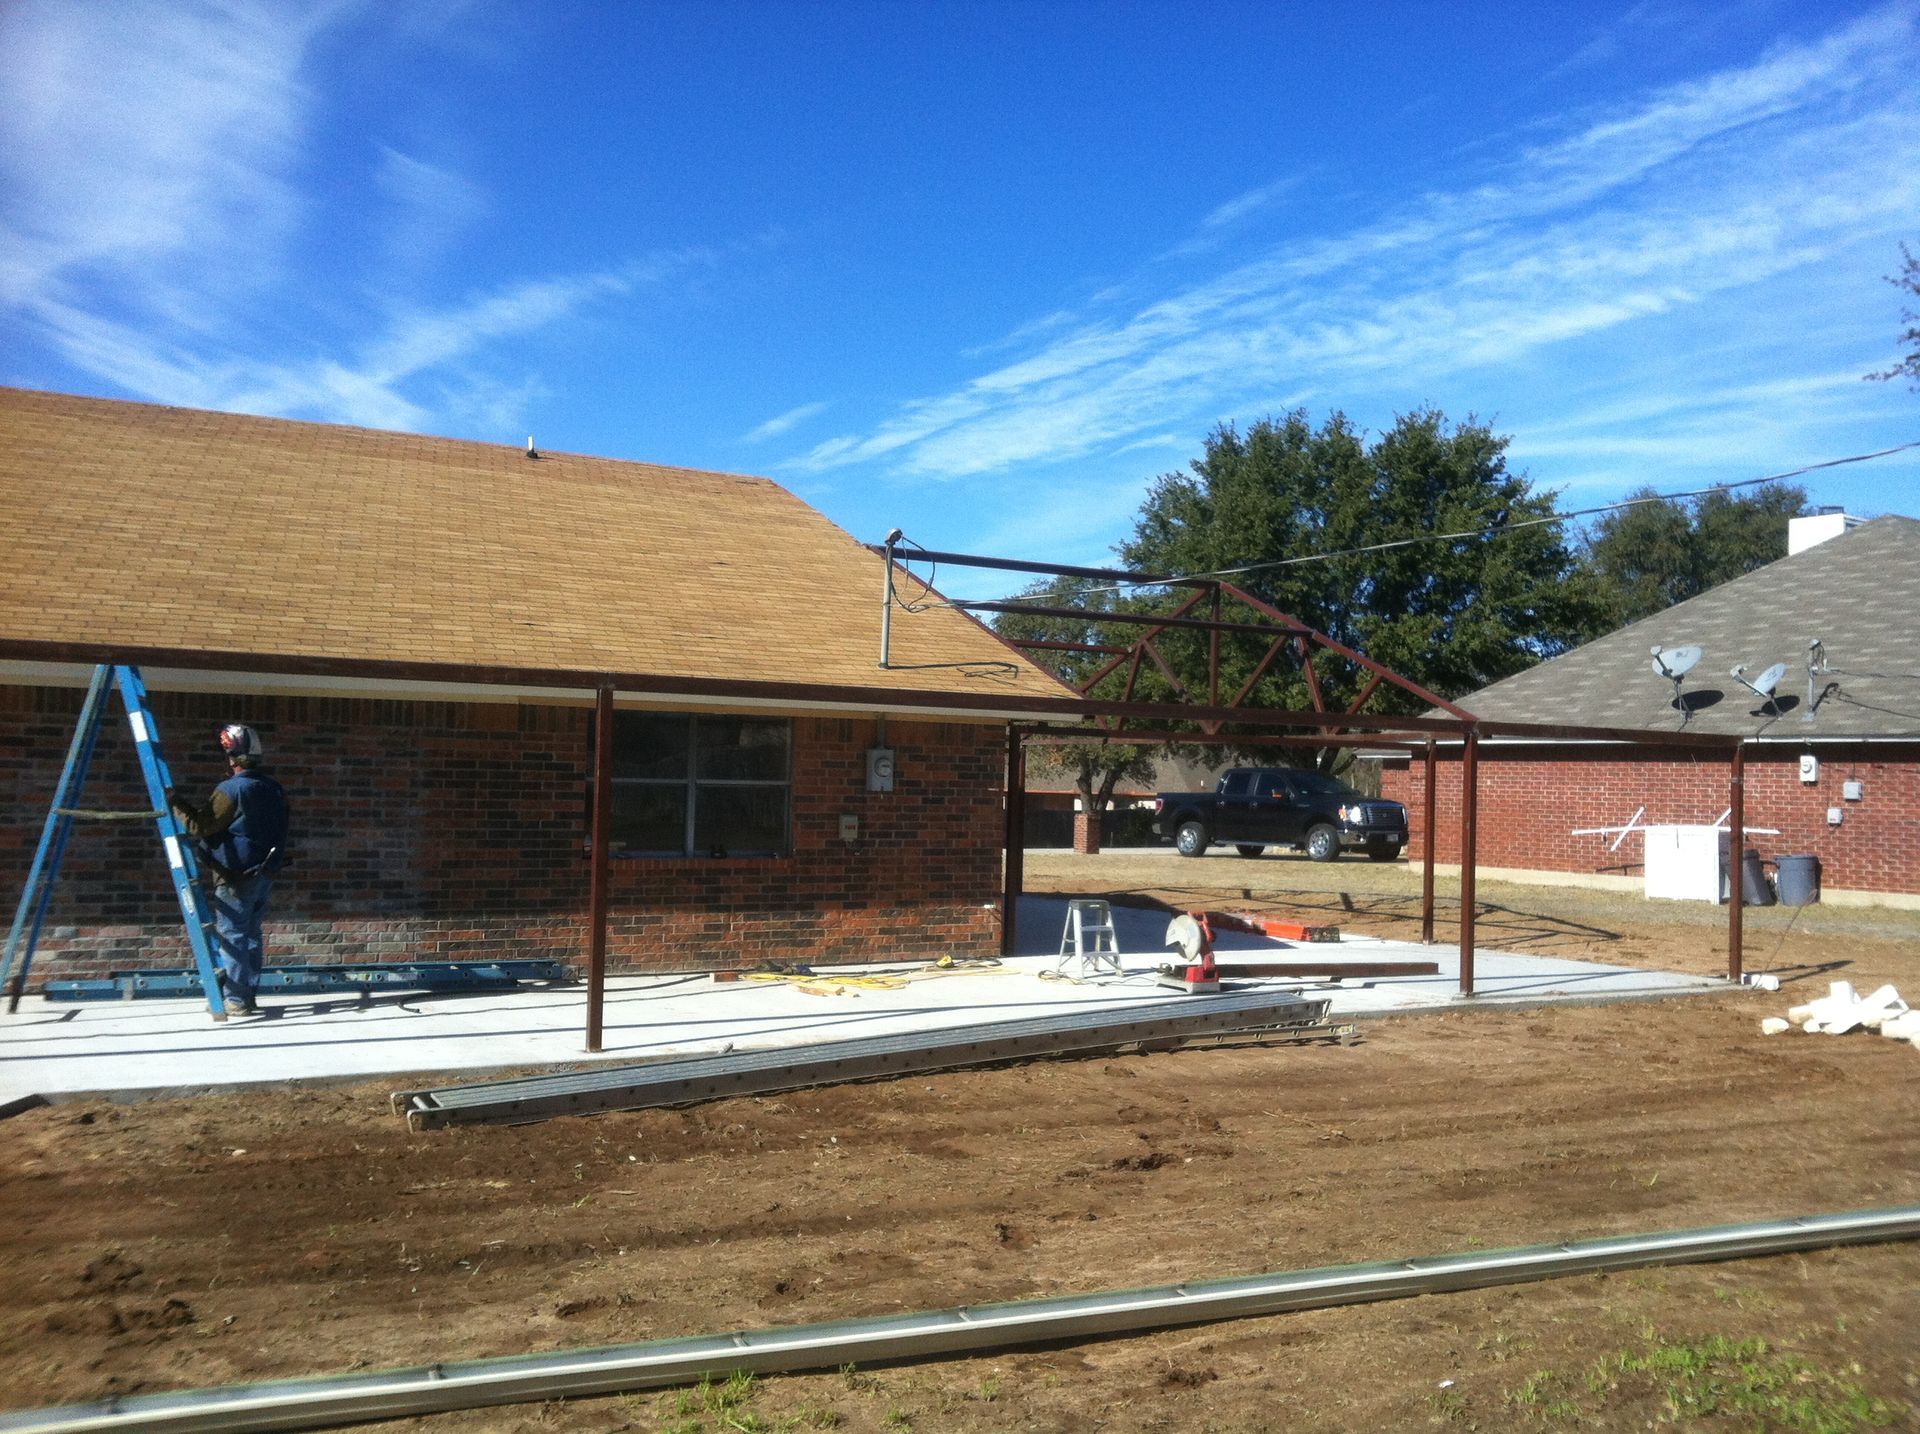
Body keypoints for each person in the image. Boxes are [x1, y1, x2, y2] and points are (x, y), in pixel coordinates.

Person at [168, 724, 290, 1017]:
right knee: (250, 934)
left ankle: (235, 999)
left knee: (234, 934)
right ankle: (246, 995)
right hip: (265, 871)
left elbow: (201, 825)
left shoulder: (231, 790)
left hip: (236, 875)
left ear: (232, 757)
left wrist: (175, 802)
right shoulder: (272, 787)